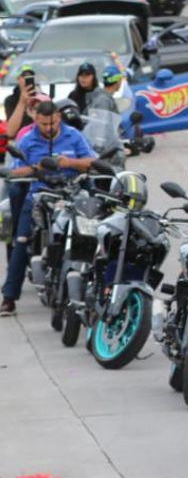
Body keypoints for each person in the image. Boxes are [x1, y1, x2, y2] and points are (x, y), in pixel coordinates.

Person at [1, 98, 98, 315]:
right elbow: (14, 171)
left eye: (52, 123)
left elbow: (92, 161)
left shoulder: (73, 135)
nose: (48, 128)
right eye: (43, 124)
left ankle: (94, 291)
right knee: (21, 240)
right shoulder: (27, 140)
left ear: (58, 119)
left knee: (93, 234)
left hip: (71, 196)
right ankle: (9, 298)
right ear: (36, 120)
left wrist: (69, 163)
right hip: (39, 196)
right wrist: (37, 168)